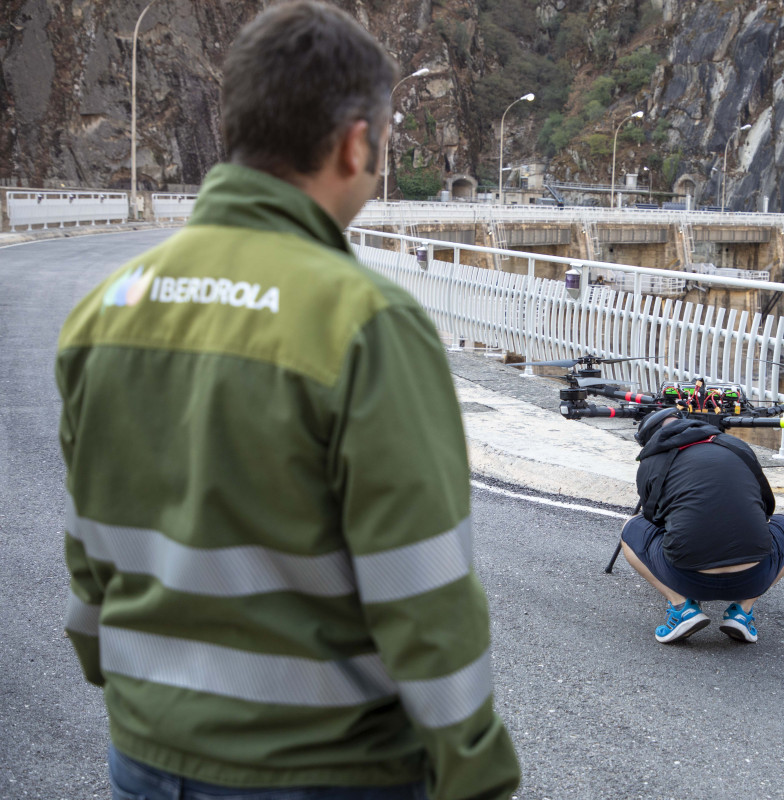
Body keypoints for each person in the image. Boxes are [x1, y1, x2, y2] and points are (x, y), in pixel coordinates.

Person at [55, 3, 520, 798]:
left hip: (146, 750)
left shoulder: (109, 307)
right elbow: (422, 590)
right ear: (355, 143)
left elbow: (91, 547)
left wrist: (134, 683)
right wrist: (474, 768)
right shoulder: (365, 323)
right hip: (319, 769)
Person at [619, 408, 784, 644]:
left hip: (686, 577)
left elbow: (652, 517)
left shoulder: (651, 460)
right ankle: (743, 612)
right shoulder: (736, 446)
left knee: (631, 528)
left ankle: (681, 607)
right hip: (754, 577)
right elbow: (767, 507)